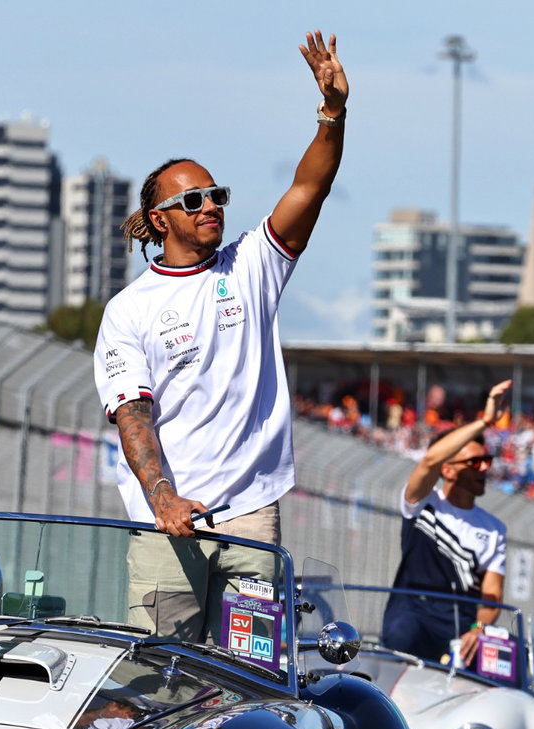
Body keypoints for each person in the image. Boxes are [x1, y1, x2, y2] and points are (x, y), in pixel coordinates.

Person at [90, 31, 347, 639]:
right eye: (194, 199)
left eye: (218, 195)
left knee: (249, 679)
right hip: (166, 521)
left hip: (252, 517)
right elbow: (133, 415)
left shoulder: (251, 265)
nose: (212, 206)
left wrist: (332, 113)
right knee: (163, 679)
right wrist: (163, 498)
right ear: (161, 220)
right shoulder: (129, 310)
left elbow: (311, 186)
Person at [380, 380, 511, 665]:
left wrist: (479, 629)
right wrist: (484, 422)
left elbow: (492, 594)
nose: (485, 468)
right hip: (411, 617)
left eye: (487, 460)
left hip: (462, 627)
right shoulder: (422, 501)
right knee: (401, 643)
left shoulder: (494, 528)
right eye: (475, 462)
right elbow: (429, 461)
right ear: (448, 470)